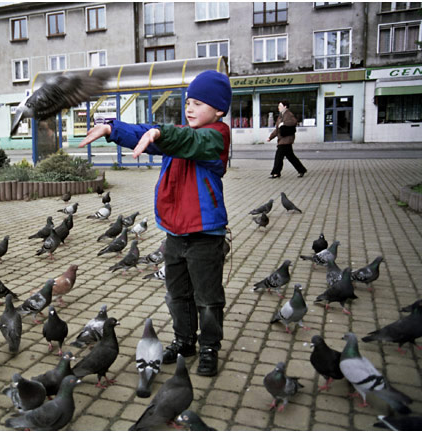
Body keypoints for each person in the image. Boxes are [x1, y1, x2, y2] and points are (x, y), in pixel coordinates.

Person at [80, 70, 231, 377]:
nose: (190, 108)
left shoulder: (216, 136)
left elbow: (188, 141)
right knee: (177, 294)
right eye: (188, 101)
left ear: (218, 110)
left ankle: (209, 348)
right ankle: (185, 341)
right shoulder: (176, 133)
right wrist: (112, 128)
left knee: (208, 298)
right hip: (175, 232)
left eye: (199, 103)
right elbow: (146, 133)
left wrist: (161, 134)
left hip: (205, 235)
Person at [266, 100, 307, 179]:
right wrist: (270, 137)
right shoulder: (281, 115)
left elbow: (294, 122)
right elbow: (277, 129)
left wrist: (283, 124)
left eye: (280, 106)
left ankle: (276, 173)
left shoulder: (288, 114)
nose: (278, 107)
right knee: (291, 156)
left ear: (285, 106)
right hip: (283, 139)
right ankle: (301, 170)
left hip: (286, 139)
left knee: (279, 156)